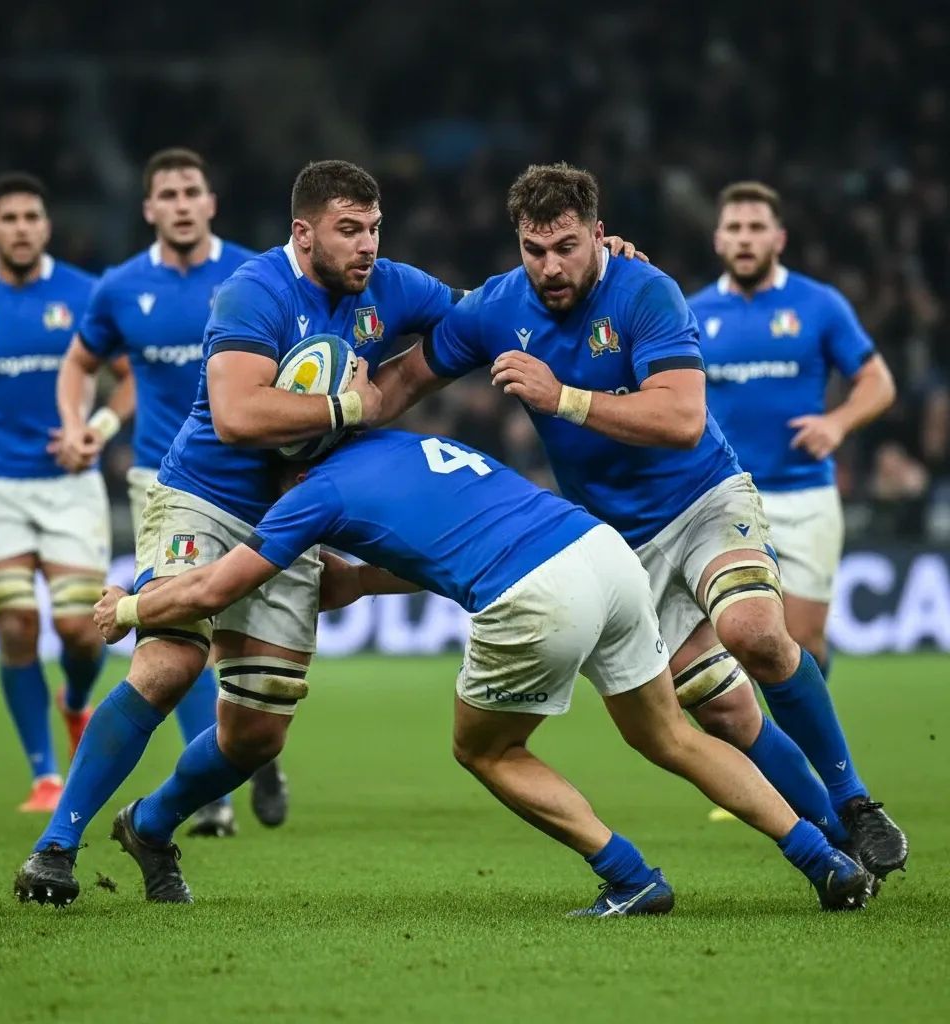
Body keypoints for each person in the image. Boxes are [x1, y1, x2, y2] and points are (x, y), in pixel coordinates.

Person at [371, 162, 908, 882]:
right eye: (534, 250)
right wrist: (336, 418)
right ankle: (835, 837)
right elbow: (407, 378)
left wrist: (562, 398)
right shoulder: (496, 308)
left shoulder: (645, 291)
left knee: (754, 632)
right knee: (723, 715)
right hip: (620, 543)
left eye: (566, 247)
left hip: (704, 499)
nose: (550, 267)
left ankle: (855, 802)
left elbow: (683, 420)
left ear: (598, 235)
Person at [85, 427, 869, 915]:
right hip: (600, 553)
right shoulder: (405, 442)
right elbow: (442, 534)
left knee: (486, 749)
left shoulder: (306, 496)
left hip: (535, 596)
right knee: (671, 735)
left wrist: (130, 607)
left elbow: (215, 590)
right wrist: (362, 584)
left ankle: (629, 877)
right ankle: (823, 859)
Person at [12, 159, 459, 901]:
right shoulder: (254, 290)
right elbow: (237, 416)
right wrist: (354, 408)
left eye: (375, 229)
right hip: (203, 496)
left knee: (257, 733)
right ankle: (54, 847)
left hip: (294, 518)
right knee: (169, 664)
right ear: (303, 233)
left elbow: (479, 316)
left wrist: (599, 274)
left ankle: (150, 825)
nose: (367, 246)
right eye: (349, 230)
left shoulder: (390, 286)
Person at [52, 147, 272, 837]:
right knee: (179, 630)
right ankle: (215, 794)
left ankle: (250, 743)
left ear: (211, 203)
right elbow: (79, 362)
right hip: (163, 481)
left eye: (191, 192)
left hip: (252, 477)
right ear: (149, 208)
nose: (181, 204)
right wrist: (79, 424)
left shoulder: (255, 274)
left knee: (244, 643)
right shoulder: (119, 287)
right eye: (168, 194)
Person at [0, 173, 129, 811]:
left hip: (69, 485)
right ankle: (44, 776)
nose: (21, 227)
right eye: (9, 218)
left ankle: (75, 701)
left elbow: (131, 379)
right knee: (16, 625)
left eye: (31, 216)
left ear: (47, 226)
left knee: (79, 630)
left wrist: (96, 431)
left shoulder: (86, 293)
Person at [688, 180, 896, 677]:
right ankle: (753, 732)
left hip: (804, 496)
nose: (745, 238)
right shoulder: (691, 312)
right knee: (725, 649)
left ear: (778, 238)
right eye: (734, 227)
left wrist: (838, 423)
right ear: (718, 239)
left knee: (803, 644)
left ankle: (813, 728)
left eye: (756, 227)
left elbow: (879, 382)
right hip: (722, 497)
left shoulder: (819, 305)